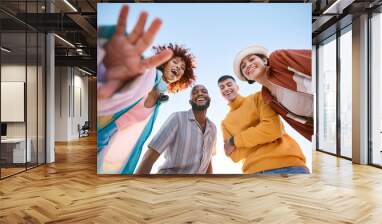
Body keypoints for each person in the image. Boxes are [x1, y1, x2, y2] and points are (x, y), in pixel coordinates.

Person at [97, 5, 196, 174]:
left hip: (110, 153)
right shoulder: (146, 73)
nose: (178, 68)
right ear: (165, 62)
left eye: (181, 69)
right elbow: (118, 69)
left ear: (180, 79)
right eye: (175, 62)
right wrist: (107, 38)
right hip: (100, 133)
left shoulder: (160, 101)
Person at [218, 75, 309, 174]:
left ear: (237, 87)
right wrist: (262, 135)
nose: (226, 88)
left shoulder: (258, 97)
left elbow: (273, 130)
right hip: (253, 172)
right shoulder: (225, 123)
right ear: (221, 93)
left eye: (229, 84)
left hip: (288, 165)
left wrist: (234, 141)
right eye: (222, 87)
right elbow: (234, 156)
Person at [233, 45, 313, 141]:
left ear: (264, 60)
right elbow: (302, 126)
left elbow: (313, 59)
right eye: (243, 66)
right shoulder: (269, 101)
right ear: (247, 78)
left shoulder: (278, 59)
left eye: (251, 59)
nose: (248, 65)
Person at [136, 85, 217, 174]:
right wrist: (137, 186)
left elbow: (208, 161)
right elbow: (150, 157)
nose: (200, 93)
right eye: (194, 93)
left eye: (204, 91)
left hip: (195, 186)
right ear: (190, 102)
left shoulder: (213, 128)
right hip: (168, 184)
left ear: (209, 98)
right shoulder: (177, 118)